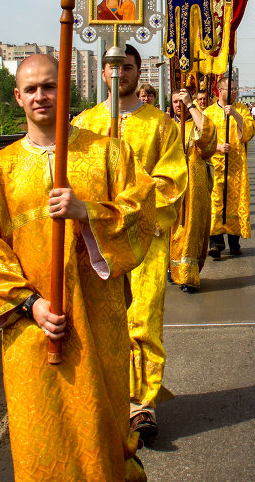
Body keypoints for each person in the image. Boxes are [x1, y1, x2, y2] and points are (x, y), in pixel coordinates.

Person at [0, 54, 154, 482]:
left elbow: (142, 215)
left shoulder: (107, 154)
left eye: (48, 86)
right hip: (31, 332)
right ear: (17, 97)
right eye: (30, 89)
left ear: (65, 89)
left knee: (100, 428)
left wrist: (88, 211)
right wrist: (32, 306)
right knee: (41, 438)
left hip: (96, 324)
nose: (40, 96)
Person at [73, 44, 186, 446]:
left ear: (140, 72)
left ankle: (141, 403)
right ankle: (103, 398)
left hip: (143, 241)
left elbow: (172, 183)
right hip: (95, 241)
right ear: (103, 72)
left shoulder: (161, 126)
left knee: (142, 318)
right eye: (111, 66)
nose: (118, 73)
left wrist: (127, 208)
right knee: (98, 321)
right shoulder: (85, 124)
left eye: (127, 66)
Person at [168, 89, 217, 293]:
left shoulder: (197, 120)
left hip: (195, 184)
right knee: (172, 228)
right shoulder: (168, 125)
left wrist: (191, 105)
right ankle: (174, 269)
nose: (178, 105)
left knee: (192, 227)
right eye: (175, 102)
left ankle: (189, 274)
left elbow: (208, 134)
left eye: (182, 101)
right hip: (172, 185)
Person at [204, 77, 255, 257]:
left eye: (235, 88)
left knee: (235, 200)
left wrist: (235, 114)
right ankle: (216, 243)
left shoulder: (242, 109)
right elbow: (203, 137)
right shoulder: (209, 112)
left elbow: (249, 132)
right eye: (230, 89)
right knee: (216, 202)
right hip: (215, 165)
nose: (234, 91)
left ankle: (234, 241)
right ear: (219, 90)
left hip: (236, 165)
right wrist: (217, 147)